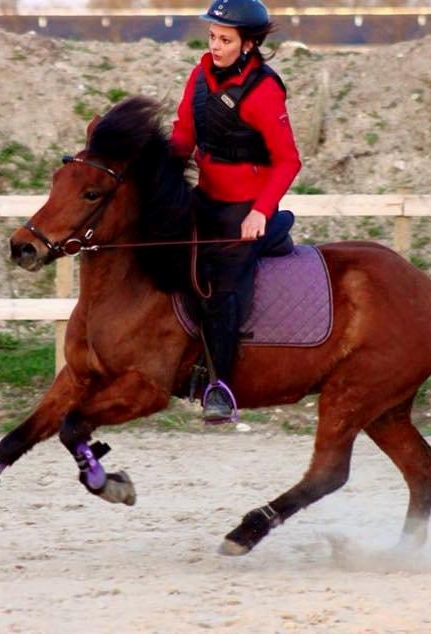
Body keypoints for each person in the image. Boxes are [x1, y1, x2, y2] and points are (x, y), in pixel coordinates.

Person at [170, 0, 302, 421]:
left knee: (220, 288)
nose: (216, 46)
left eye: (225, 40)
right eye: (212, 37)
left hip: (244, 212)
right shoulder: (200, 75)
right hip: (204, 200)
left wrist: (261, 211)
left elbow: (288, 160)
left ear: (249, 44)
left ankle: (219, 387)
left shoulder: (264, 90)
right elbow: (182, 137)